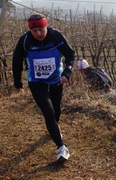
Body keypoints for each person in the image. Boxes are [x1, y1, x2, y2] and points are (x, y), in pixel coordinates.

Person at [12, 13, 75, 164]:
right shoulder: (25, 41)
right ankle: (61, 147)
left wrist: (67, 72)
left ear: (46, 26)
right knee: (49, 112)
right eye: (35, 31)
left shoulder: (56, 36)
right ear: (30, 31)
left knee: (56, 111)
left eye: (41, 29)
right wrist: (17, 82)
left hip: (56, 81)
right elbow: (16, 61)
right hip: (36, 83)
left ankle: (53, 128)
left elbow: (70, 54)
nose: (38, 33)